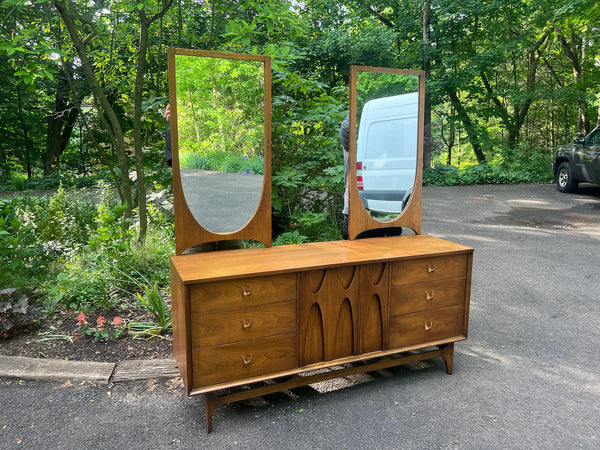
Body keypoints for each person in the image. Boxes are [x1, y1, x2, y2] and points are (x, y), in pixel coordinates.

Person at [339, 116, 402, 240]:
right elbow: (346, 128)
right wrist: (362, 114)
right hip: (356, 214)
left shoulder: (388, 152)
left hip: (386, 213)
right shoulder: (353, 148)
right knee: (356, 256)